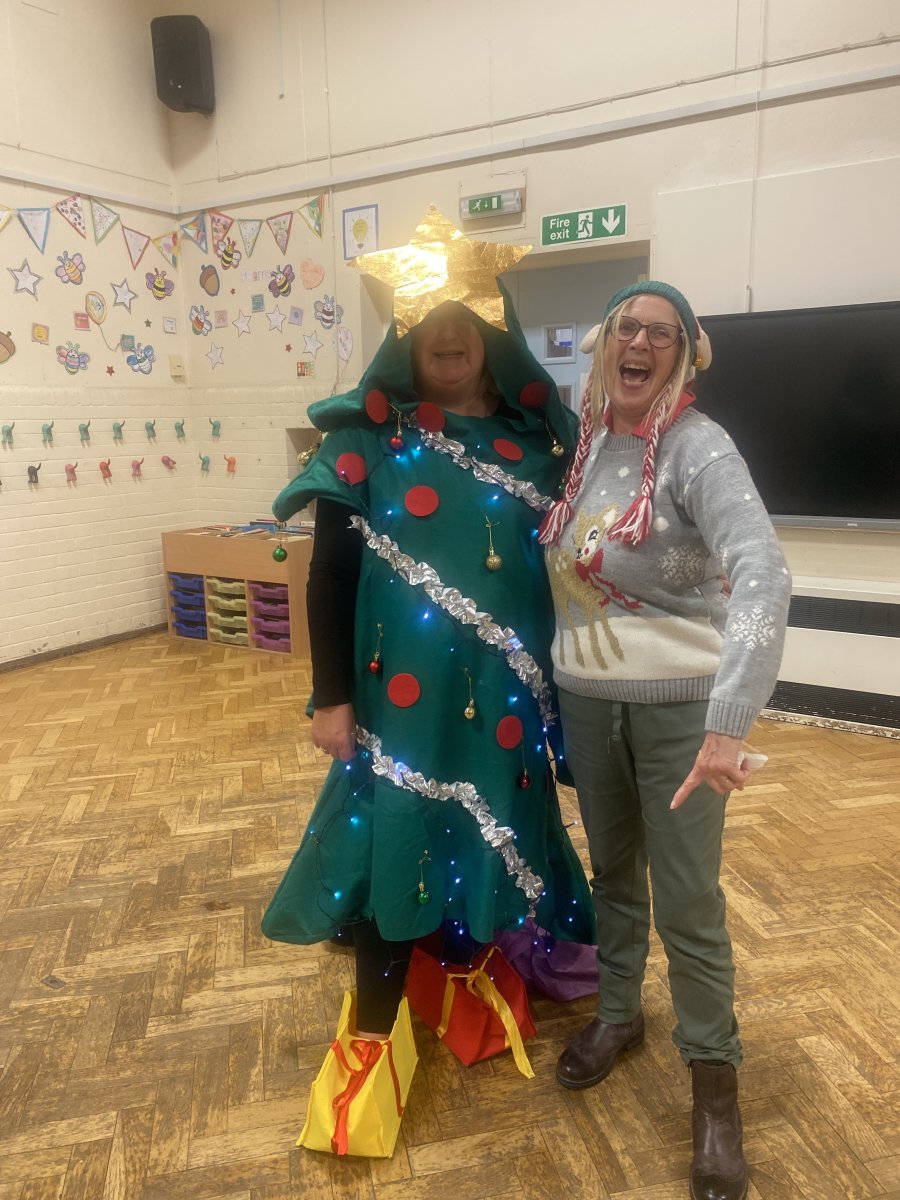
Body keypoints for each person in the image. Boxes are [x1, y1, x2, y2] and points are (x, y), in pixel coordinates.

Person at [261, 209, 595, 1150]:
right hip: (396, 708)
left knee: (483, 836)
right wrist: (333, 697)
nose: (449, 338)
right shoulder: (369, 441)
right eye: (429, 324)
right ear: (405, 339)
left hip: (503, 705)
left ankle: (460, 974)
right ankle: (368, 1048)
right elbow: (329, 576)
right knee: (399, 848)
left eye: (466, 322)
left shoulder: (541, 448)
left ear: (494, 331)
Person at [539, 281, 791, 1200]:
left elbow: (763, 572)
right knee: (613, 873)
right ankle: (619, 1013)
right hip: (588, 699)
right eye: (626, 328)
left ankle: (714, 1085)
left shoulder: (697, 447)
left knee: (687, 900)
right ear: (605, 344)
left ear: (685, 354)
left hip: (681, 712)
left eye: (661, 333)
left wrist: (728, 724)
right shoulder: (589, 442)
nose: (639, 344)